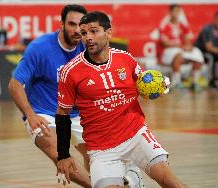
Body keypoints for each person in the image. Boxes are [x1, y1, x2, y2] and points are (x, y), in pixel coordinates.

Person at [55, 11, 186, 188]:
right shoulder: (70, 72)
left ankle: (131, 177)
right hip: (101, 149)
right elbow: (63, 113)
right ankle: (131, 179)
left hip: (136, 136)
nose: (88, 38)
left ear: (108, 32)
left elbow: (145, 85)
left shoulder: (125, 58)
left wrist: (160, 86)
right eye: (84, 33)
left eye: (94, 31)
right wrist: (63, 155)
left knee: (170, 182)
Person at [8, 4, 91, 187]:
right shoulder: (40, 47)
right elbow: (14, 85)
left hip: (77, 114)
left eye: (81, 26)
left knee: (97, 156)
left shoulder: (88, 48)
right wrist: (30, 115)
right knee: (61, 156)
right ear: (61, 24)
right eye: (71, 24)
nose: (77, 30)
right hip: (44, 114)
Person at [159, 4, 204, 91]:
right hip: (169, 50)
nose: (176, 13)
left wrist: (188, 46)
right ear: (170, 12)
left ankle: (195, 82)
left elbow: (188, 38)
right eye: (174, 11)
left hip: (181, 49)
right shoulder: (164, 25)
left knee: (197, 53)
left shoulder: (183, 25)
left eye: (178, 11)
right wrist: (180, 46)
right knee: (178, 55)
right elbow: (165, 42)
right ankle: (177, 82)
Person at [195, 11, 218, 88]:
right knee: (211, 57)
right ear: (215, 19)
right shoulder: (207, 29)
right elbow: (208, 47)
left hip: (216, 52)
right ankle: (212, 80)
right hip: (201, 52)